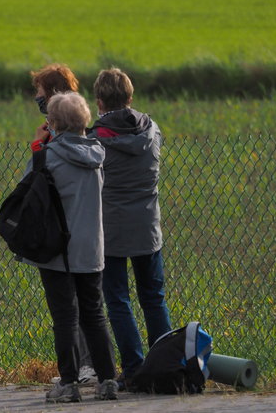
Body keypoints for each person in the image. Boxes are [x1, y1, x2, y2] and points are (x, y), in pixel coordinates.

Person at [17, 92, 118, 402]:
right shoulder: (97, 154)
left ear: (53, 124)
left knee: (65, 317)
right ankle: (108, 380)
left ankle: (69, 383)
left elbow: (27, 192)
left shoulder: (48, 156)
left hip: (58, 249)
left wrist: (38, 146)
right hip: (92, 248)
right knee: (94, 315)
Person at [87, 68, 172, 390]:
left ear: (99, 101)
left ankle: (134, 369)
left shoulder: (95, 139)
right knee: (153, 298)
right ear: (130, 97)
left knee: (118, 300)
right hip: (149, 227)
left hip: (110, 231)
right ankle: (164, 369)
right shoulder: (152, 130)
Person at [30, 63, 97, 386]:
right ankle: (97, 369)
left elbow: (36, 183)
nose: (36, 99)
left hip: (65, 236)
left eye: (40, 93)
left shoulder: (58, 143)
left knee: (72, 310)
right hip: (89, 236)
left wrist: (37, 149)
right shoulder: (87, 140)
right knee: (88, 308)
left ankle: (83, 369)